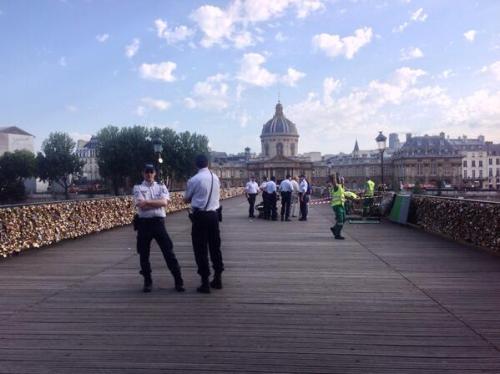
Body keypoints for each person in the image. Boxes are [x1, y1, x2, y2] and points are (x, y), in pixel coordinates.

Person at [133, 163, 184, 293]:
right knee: (144, 254)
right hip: (144, 224)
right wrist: (156, 203)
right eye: (146, 172)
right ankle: (147, 282)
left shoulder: (161, 186)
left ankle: (178, 281)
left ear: (155, 173)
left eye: (151, 172)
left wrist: (148, 202)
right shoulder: (138, 187)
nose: (149, 174)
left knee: (168, 252)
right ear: (143, 173)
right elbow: (141, 205)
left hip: (158, 223)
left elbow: (165, 203)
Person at [184, 154, 224, 294]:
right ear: (208, 164)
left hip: (200, 216)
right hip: (214, 215)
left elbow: (186, 199)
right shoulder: (216, 178)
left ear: (196, 164)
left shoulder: (194, 180)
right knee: (215, 247)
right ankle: (218, 278)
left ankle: (205, 282)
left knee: (200, 249)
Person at [329, 175, 358, 240]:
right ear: (338, 181)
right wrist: (333, 177)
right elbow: (334, 183)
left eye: (343, 180)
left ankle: (334, 228)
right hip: (337, 205)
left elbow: (344, 196)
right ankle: (337, 234)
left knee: (344, 219)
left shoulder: (341, 188)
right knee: (340, 220)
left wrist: (353, 199)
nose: (343, 181)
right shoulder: (336, 187)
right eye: (341, 180)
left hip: (341, 205)